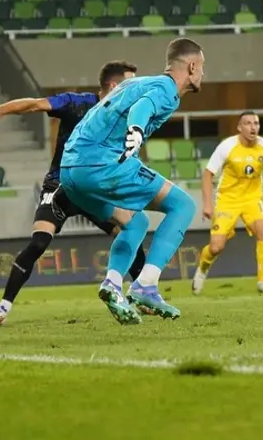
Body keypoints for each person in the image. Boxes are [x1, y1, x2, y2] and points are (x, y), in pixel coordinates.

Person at [0, 60, 141, 327]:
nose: (136, 88)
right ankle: (2, 307)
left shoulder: (124, 116)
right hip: (60, 184)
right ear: (114, 85)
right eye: (130, 82)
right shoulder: (75, 103)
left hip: (93, 188)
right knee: (39, 242)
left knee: (130, 232)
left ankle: (141, 295)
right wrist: (0, 109)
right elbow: (34, 104)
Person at [58, 37, 204, 324]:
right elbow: (144, 108)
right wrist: (136, 129)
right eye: (202, 67)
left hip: (71, 171)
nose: (202, 74)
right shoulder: (165, 89)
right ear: (192, 65)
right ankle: (146, 285)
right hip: (103, 165)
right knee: (182, 206)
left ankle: (112, 284)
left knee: (135, 222)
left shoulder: (132, 84)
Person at [191, 110, 263, 295]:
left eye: (256, 123)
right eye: (248, 123)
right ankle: (203, 268)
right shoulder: (227, 146)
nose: (252, 127)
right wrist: (207, 204)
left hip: (252, 199)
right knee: (216, 247)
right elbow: (208, 174)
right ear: (240, 128)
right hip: (227, 200)